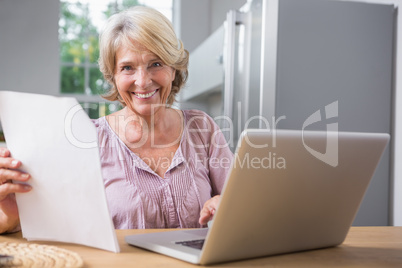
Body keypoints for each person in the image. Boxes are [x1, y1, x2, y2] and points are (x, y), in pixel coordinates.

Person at [0, 6, 233, 233]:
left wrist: (227, 205)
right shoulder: (87, 139)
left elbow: (244, 206)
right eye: (128, 67)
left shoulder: (202, 128)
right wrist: (10, 215)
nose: (142, 81)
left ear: (174, 69)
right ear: (113, 76)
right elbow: (50, 225)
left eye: (156, 64)